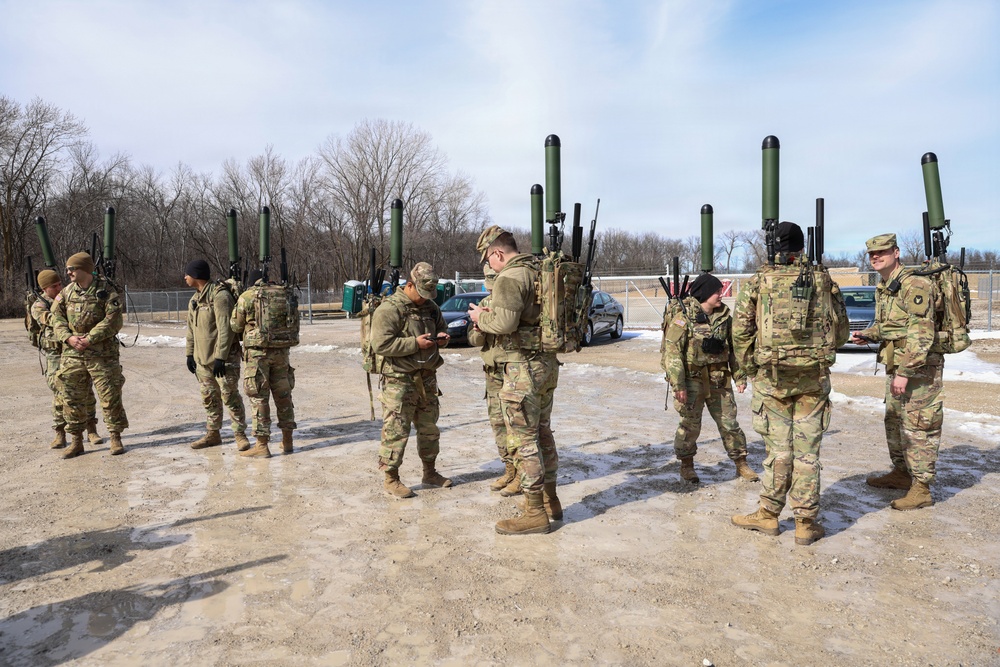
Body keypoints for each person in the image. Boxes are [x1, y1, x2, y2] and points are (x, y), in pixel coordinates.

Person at [730, 222, 848, 545]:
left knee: (779, 450)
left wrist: (752, 368)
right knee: (807, 453)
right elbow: (841, 333)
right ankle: (805, 523)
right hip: (813, 381)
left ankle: (768, 515)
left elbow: (739, 333)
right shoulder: (823, 280)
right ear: (801, 248)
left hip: (773, 381)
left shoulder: (758, 282)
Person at [469, 226, 561, 535]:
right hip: (546, 364)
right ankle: (550, 501)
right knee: (543, 432)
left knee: (525, 440)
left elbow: (505, 322)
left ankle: (534, 512)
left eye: (487, 258)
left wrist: (479, 318)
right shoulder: (537, 271)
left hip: (522, 367)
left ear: (496, 253)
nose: (488, 265)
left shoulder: (510, 276)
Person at [852, 234, 940, 511]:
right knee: (894, 421)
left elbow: (922, 333)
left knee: (919, 426)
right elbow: (893, 326)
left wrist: (906, 371)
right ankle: (902, 473)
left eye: (882, 252)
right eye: (871, 254)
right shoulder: (887, 285)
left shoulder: (915, 284)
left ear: (896, 252)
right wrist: (869, 333)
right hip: (898, 364)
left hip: (919, 369)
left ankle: (922, 488)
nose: (875, 257)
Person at [661, 272, 757, 483]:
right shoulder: (683, 317)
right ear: (704, 293)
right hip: (691, 380)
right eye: (716, 291)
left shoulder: (725, 318)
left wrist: (739, 376)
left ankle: (741, 463)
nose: (720, 294)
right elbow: (673, 353)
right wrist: (678, 384)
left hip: (719, 379)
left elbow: (734, 349)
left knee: (729, 423)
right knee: (690, 426)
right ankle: (687, 466)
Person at [369, 262, 452, 498]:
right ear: (409, 285)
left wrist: (441, 339)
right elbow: (381, 345)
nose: (425, 299)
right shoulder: (389, 309)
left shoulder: (431, 307)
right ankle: (391, 478)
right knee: (396, 430)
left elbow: (440, 329)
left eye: (429, 295)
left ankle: (430, 472)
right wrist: (415, 344)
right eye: (422, 293)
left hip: (426, 378)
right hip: (399, 379)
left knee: (429, 429)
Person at [50, 252, 129, 458]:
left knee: (110, 396)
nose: (68, 272)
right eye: (67, 269)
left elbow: (113, 320)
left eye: (72, 269)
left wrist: (89, 338)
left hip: (101, 355)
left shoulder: (105, 290)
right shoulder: (66, 293)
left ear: (84, 269)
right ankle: (76, 441)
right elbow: (55, 317)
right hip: (73, 354)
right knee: (72, 398)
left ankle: (115, 438)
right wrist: (68, 338)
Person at [30, 270, 103, 449]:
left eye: (59, 284)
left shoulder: (67, 296)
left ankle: (91, 429)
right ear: (44, 289)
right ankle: (60, 433)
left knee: (85, 390)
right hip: (55, 354)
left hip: (72, 351)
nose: (58, 288)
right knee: (60, 393)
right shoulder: (39, 305)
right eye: (53, 286)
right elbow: (53, 319)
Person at [230, 269, 298, 458]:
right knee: (284, 396)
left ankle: (262, 445)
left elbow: (235, 325)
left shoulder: (248, 296)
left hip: (258, 355)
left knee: (259, 397)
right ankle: (287, 441)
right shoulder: (284, 293)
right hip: (282, 352)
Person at [183, 259, 249, 452]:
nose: (184, 277)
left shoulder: (220, 296)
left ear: (195, 276)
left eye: (187, 274)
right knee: (209, 397)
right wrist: (189, 354)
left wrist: (221, 357)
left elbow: (225, 329)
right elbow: (190, 330)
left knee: (230, 396)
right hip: (202, 360)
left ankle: (240, 435)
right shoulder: (194, 299)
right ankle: (213, 434)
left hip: (223, 360)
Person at [468, 264, 520, 496]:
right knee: (498, 423)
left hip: (513, 371)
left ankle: (522, 474)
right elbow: (474, 339)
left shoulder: (511, 299)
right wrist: (480, 327)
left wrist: (492, 322)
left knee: (517, 425)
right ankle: (509, 469)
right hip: (492, 372)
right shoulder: (483, 305)